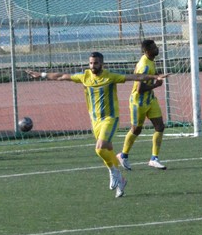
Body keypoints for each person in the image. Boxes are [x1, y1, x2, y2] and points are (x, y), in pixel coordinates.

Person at [26, 51, 168, 198]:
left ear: (102, 64)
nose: (93, 66)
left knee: (100, 148)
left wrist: (154, 77)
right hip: (95, 121)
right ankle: (121, 181)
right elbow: (61, 76)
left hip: (110, 118)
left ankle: (113, 172)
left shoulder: (110, 76)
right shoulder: (85, 76)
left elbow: (134, 77)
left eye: (96, 63)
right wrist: (41, 74)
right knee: (108, 150)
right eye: (91, 63)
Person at [117, 39, 167, 171]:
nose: (157, 48)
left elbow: (149, 75)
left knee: (160, 126)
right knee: (136, 130)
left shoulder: (149, 61)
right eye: (154, 47)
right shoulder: (144, 65)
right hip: (138, 103)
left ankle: (154, 159)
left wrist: (157, 76)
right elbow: (139, 89)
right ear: (147, 51)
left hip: (150, 100)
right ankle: (123, 155)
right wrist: (156, 84)